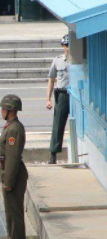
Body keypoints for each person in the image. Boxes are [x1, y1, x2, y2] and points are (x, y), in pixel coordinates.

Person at [0, 94, 28, 239]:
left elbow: (13, 157)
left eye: (3, 108)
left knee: (14, 212)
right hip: (9, 172)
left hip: (13, 174)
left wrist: (8, 181)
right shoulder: (11, 126)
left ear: (9, 110)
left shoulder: (14, 129)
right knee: (10, 212)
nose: (1, 111)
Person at [46, 34, 70, 164]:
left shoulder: (78, 60)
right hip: (62, 94)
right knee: (58, 124)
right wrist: (48, 99)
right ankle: (53, 153)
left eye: (70, 45)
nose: (68, 48)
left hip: (75, 94)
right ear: (63, 46)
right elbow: (51, 80)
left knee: (78, 124)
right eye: (66, 45)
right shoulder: (57, 60)